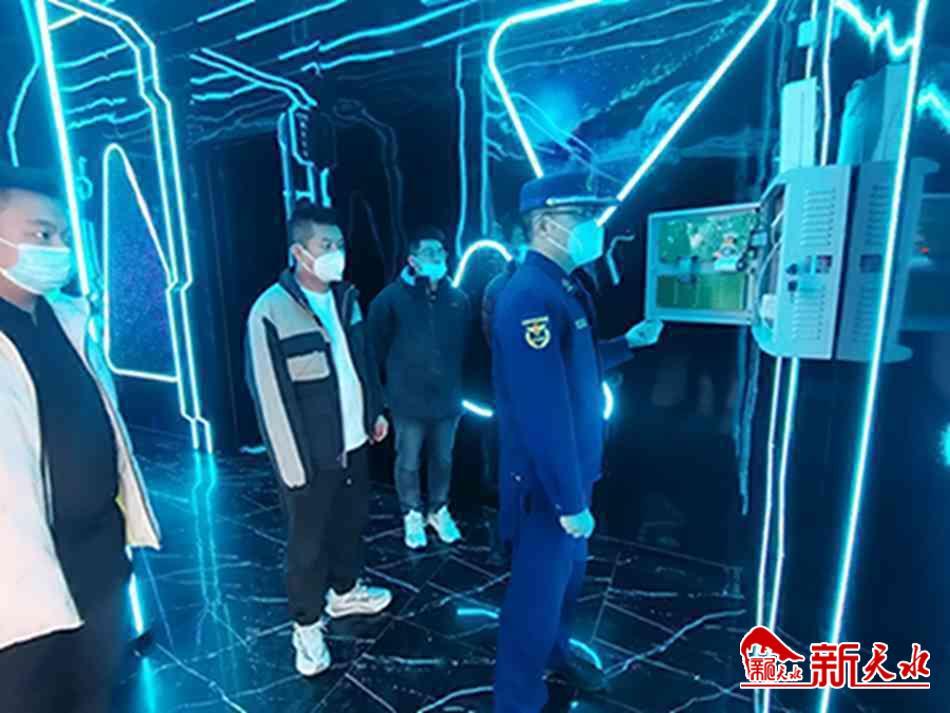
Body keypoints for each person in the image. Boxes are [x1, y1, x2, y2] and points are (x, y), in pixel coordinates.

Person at [491, 172, 664, 712]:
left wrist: (625, 345)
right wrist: (569, 501)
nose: (593, 226)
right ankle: (517, 699)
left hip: (572, 474)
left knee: (564, 585)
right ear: (545, 225)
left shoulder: (563, 287)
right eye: (581, 216)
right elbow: (544, 409)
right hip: (548, 485)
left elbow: (573, 366)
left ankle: (557, 654)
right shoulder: (529, 296)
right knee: (535, 599)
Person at [0, 163, 161, 713]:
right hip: (18, 580)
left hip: (99, 558)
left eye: (65, 235)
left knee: (95, 692)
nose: (60, 249)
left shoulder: (70, 320)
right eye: (42, 234)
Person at [245, 201, 392, 678]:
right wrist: (293, 469)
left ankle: (345, 592)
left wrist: (374, 411)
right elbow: (269, 397)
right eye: (325, 245)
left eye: (339, 244)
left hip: (354, 442)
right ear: (298, 252)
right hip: (308, 457)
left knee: (351, 525)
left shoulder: (347, 299)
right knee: (307, 546)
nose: (336, 253)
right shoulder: (270, 311)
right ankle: (306, 627)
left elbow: (361, 362)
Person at [368, 226, 470, 550]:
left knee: (443, 460)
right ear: (412, 260)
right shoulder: (390, 300)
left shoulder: (458, 300)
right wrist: (380, 398)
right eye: (429, 253)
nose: (437, 258)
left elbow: (466, 350)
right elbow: (374, 350)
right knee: (408, 461)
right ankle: (411, 513)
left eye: (441, 252)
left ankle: (438, 510)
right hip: (407, 399)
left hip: (448, 399)